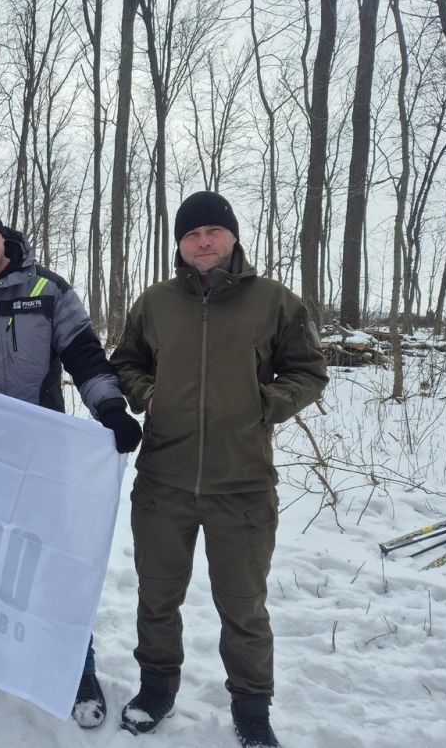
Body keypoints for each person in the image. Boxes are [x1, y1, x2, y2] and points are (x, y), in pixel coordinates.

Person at [109, 192, 328, 747]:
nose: (202, 241)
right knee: (157, 596)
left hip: (244, 486)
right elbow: (126, 362)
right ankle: (156, 688)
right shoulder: (155, 303)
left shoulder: (275, 302)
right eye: (190, 234)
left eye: (212, 230)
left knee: (244, 606)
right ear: (179, 245)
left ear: (232, 236)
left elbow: (309, 371)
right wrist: (149, 397)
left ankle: (252, 708)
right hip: (163, 482)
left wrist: (264, 404)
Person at [0, 200, 143, 729]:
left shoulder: (47, 289)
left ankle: (77, 667)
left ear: (3, 234)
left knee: (56, 565)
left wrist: (110, 407)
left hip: (40, 449)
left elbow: (86, 354)